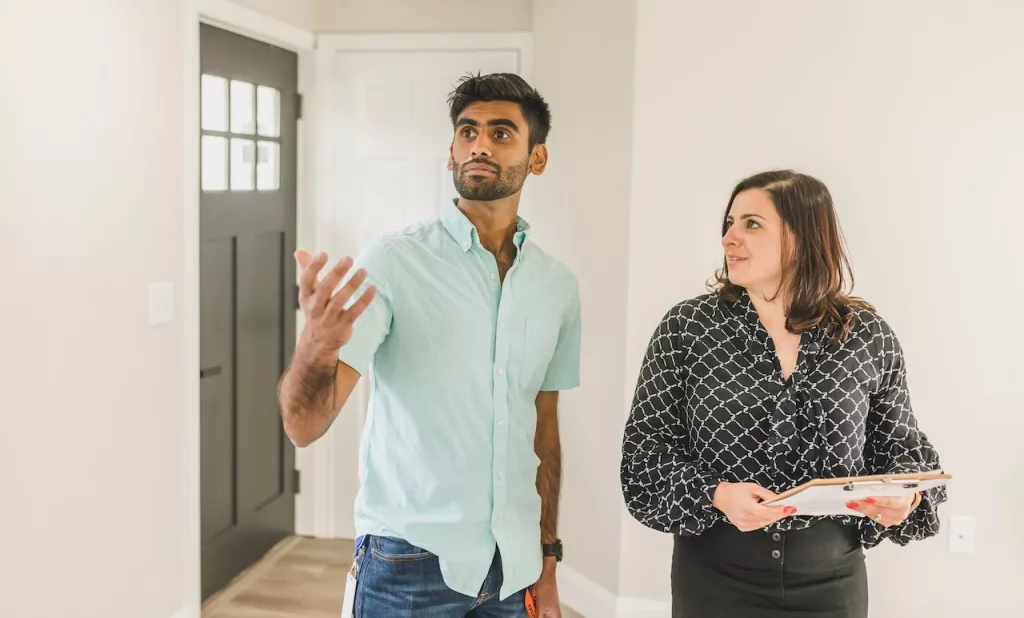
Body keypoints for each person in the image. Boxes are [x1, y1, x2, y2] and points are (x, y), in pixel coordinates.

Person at [277, 73, 580, 618]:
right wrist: (316, 346)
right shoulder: (393, 261)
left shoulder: (557, 286)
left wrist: (548, 555)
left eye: (501, 133)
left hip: (512, 567)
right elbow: (304, 427)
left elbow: (544, 429)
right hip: (407, 563)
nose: (480, 145)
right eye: (468, 132)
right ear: (450, 153)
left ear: (537, 159)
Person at [620, 170, 946, 618]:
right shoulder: (687, 328)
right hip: (714, 580)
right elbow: (643, 454)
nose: (729, 238)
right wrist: (715, 493)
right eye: (729, 223)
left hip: (833, 584)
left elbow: (903, 448)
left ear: (804, 238)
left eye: (751, 224)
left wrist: (905, 497)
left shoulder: (869, 336)